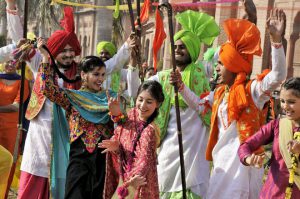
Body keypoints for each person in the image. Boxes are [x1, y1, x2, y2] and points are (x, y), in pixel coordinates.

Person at [171, 9, 287, 199]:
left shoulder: (253, 91)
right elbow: (200, 106)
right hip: (220, 166)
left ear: (233, 66)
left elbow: (278, 76)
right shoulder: (219, 93)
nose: (216, 67)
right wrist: (181, 87)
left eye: (221, 64)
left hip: (245, 167)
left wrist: (276, 41)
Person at [147, 10, 220, 198]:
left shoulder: (201, 74)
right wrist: (132, 60)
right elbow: (139, 89)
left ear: (194, 49)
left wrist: (181, 86)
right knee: (165, 186)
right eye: (176, 46)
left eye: (183, 46)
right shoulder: (163, 77)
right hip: (169, 146)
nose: (178, 50)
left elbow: (202, 107)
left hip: (194, 148)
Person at [39, 47, 116, 198]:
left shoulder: (110, 98)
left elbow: (124, 124)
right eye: (95, 74)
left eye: (102, 75)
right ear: (83, 75)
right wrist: (45, 58)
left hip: (103, 159)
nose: (100, 79)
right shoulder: (72, 98)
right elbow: (47, 89)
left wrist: (118, 113)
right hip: (79, 158)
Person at [99, 80, 164, 199]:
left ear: (158, 104)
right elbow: (121, 133)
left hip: (138, 182)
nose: (143, 105)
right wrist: (116, 146)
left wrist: (134, 179)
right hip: (122, 177)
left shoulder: (150, 130)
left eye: (149, 102)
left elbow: (144, 159)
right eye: (140, 99)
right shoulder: (131, 115)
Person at [238, 77, 300, 199]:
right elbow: (246, 146)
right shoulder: (277, 125)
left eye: (291, 102)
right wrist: (249, 159)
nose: (285, 107)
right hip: (272, 194)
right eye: (282, 101)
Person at [0, 60, 30, 197]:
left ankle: (3, 194)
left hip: (12, 128)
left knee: (9, 160)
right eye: (7, 61)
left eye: (13, 62)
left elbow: (16, 106)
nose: (10, 64)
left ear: (18, 64)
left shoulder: (23, 82)